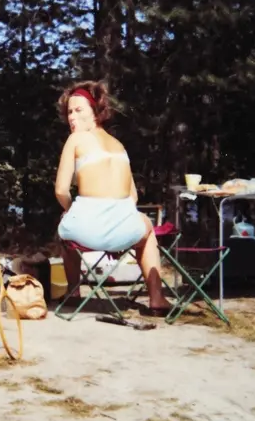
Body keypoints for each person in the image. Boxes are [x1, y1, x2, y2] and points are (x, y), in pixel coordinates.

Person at [54, 81, 172, 314]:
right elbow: (133, 197)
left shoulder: (75, 140)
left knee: (64, 223)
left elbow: (60, 191)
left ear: (95, 112)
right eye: (69, 111)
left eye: (79, 110)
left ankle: (73, 292)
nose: (72, 117)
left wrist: (70, 209)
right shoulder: (119, 145)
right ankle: (157, 298)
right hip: (124, 233)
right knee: (147, 231)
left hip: (85, 231)